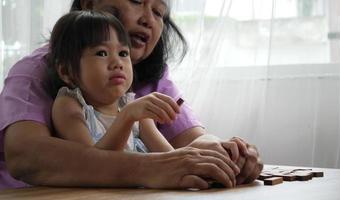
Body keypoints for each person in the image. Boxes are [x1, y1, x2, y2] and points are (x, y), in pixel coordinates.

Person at [0, 0, 263, 190]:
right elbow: (26, 156)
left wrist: (227, 153)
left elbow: (190, 141)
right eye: (137, 1)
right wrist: (152, 168)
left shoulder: (150, 76)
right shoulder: (36, 71)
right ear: (90, 5)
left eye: (159, 12)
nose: (149, 19)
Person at [48, 10, 176, 153]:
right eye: (102, 53)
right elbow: (93, 164)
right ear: (67, 72)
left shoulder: (134, 108)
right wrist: (127, 117)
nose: (118, 63)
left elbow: (169, 158)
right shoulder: (69, 105)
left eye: (123, 53)